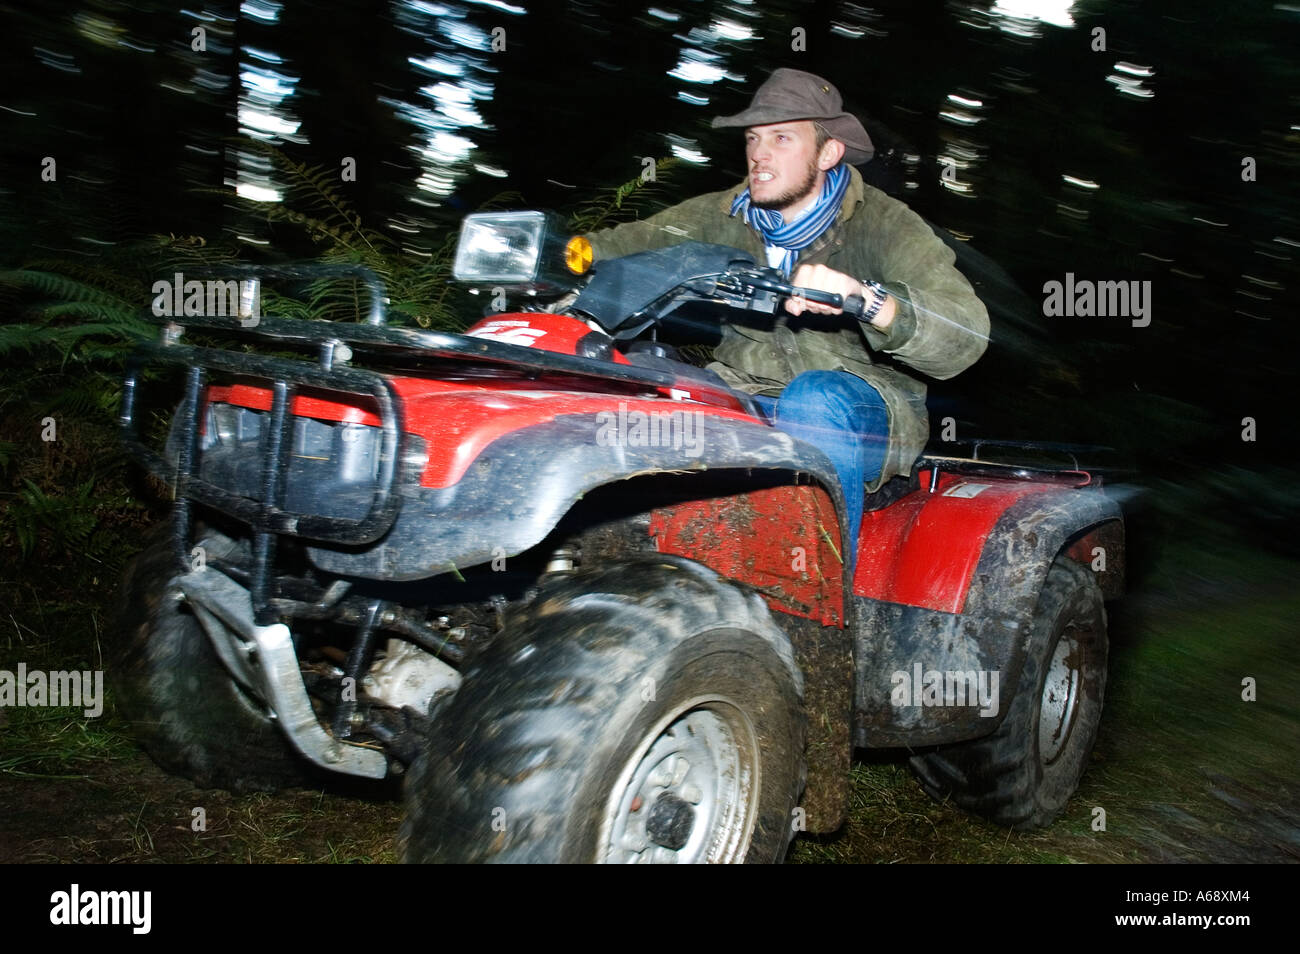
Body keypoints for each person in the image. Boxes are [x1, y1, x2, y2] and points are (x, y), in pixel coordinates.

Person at [586, 68, 990, 565]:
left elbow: (965, 335)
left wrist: (866, 298)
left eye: (781, 137)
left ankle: (819, 602)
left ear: (828, 153)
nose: (759, 153)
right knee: (641, 381)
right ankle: (630, 567)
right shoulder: (721, 214)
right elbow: (621, 247)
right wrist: (561, 254)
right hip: (742, 389)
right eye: (754, 138)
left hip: (859, 404)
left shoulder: (886, 224)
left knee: (814, 398)